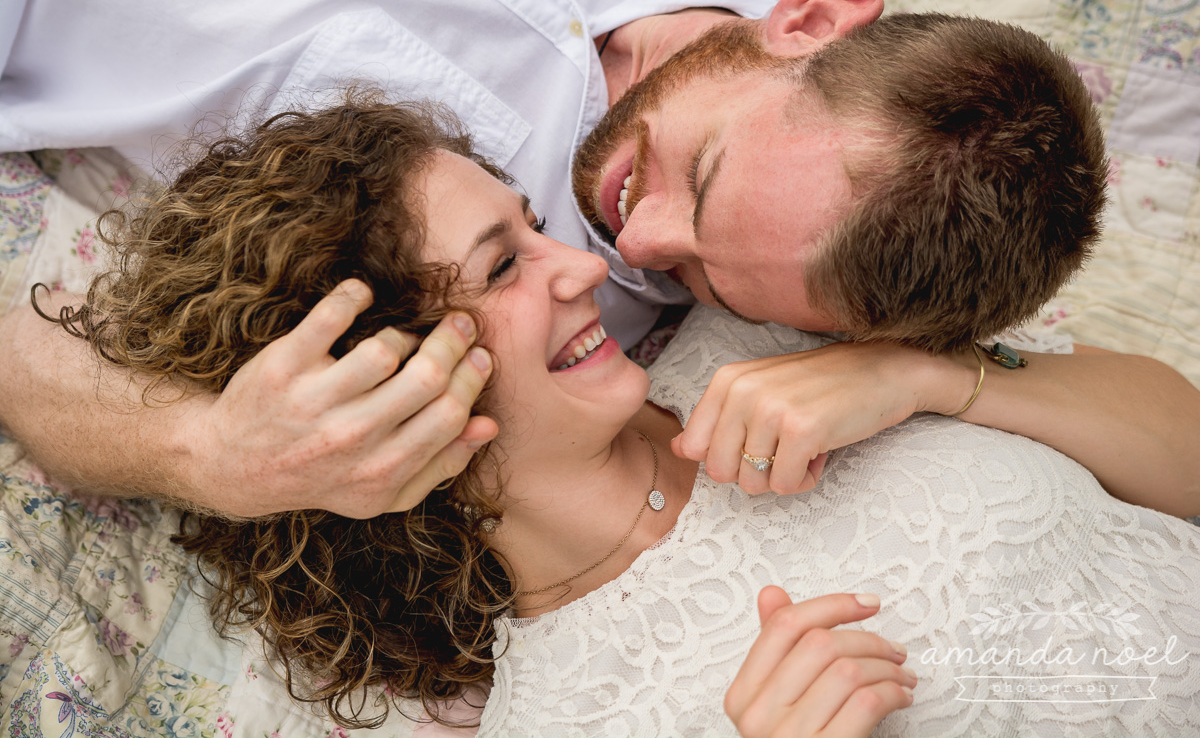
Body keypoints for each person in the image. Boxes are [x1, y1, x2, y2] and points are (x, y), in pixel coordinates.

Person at [53, 93, 1200, 736]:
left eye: (532, 225)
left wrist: (928, 376)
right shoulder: (565, 713)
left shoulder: (763, 335)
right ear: (379, 385)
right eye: (504, 263)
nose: (576, 265)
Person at [5, 0, 1199, 521]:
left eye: (701, 279)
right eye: (708, 171)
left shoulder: (598, 351)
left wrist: (201, 447)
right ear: (811, 20)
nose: (632, 241)